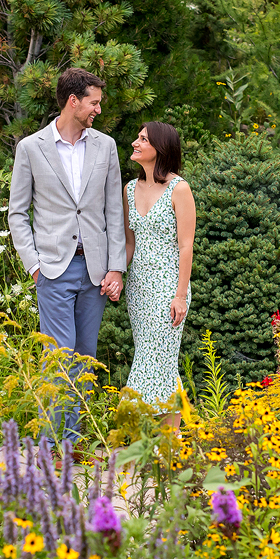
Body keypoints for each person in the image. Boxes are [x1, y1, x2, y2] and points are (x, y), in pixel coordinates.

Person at [8, 67, 127, 458]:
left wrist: (115, 267)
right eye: (93, 101)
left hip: (94, 271)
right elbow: (17, 213)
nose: (98, 108)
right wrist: (35, 266)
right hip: (54, 270)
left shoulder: (105, 146)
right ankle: (52, 446)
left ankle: (73, 444)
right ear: (73, 101)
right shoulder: (31, 148)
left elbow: (113, 210)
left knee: (86, 357)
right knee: (59, 356)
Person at [122, 122, 195, 430]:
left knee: (160, 360)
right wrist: (116, 276)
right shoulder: (129, 189)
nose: (136, 143)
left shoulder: (179, 188)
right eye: (138, 137)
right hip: (138, 290)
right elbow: (129, 243)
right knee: (157, 360)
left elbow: (186, 245)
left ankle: (150, 435)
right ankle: (168, 442)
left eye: (143, 139)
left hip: (169, 290)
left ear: (160, 149)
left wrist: (180, 296)